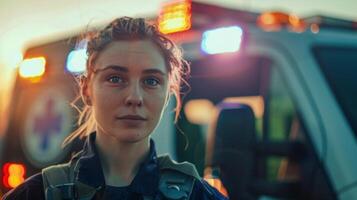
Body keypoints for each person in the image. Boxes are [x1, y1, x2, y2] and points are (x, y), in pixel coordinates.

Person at [3, 17, 228, 200]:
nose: (134, 97)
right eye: (115, 78)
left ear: (168, 92)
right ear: (86, 90)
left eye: (151, 81)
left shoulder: (197, 195)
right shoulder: (37, 194)